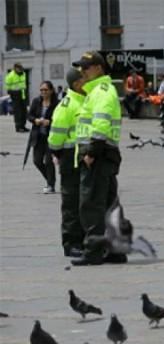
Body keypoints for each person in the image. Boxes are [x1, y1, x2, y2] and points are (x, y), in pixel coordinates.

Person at [71, 51, 125, 266]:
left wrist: (91, 152)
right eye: (81, 68)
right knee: (110, 205)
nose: (82, 71)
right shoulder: (99, 91)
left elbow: (100, 125)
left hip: (98, 155)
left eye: (86, 67)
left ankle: (93, 252)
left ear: (99, 68)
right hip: (106, 155)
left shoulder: (101, 92)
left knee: (91, 204)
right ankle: (116, 250)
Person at [47, 68, 86, 258]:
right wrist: (59, 153)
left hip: (83, 157)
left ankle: (84, 239)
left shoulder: (85, 102)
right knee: (71, 202)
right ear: (77, 84)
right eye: (84, 79)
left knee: (84, 201)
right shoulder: (66, 106)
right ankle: (71, 243)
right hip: (70, 157)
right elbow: (55, 138)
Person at [27, 80, 59, 193]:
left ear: (51, 90)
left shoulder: (57, 103)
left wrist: (49, 122)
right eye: (41, 90)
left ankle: (51, 185)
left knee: (49, 161)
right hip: (38, 136)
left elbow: (60, 119)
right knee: (37, 161)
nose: (43, 92)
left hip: (51, 137)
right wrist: (35, 120)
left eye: (45, 90)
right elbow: (29, 115)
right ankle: (50, 180)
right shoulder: (36, 101)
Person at [6, 63, 28, 132]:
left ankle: (23, 126)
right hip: (15, 96)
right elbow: (8, 88)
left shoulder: (23, 73)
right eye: (19, 68)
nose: (20, 70)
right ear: (15, 68)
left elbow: (23, 84)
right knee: (18, 112)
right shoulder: (10, 76)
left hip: (23, 95)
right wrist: (14, 93)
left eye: (21, 68)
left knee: (24, 112)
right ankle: (18, 127)